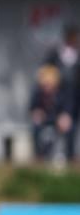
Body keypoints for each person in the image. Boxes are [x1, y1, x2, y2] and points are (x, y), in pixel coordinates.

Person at [43, 26, 79, 160]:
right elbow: (46, 71)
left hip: (75, 97)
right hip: (59, 95)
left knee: (73, 126)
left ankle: (71, 154)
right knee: (55, 126)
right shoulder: (56, 54)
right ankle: (50, 155)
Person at [30, 64, 73, 162]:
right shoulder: (37, 93)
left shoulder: (62, 93)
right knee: (36, 125)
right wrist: (36, 113)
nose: (46, 87)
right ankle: (39, 155)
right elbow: (33, 107)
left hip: (58, 120)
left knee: (68, 126)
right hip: (44, 119)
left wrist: (65, 116)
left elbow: (67, 108)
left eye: (48, 84)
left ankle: (69, 155)